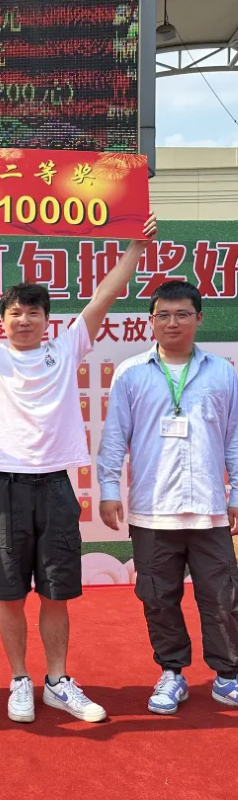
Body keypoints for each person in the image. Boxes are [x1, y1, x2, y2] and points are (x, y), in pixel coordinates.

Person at [0, 214, 157, 724]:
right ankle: (20, 679)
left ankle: (58, 681)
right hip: (5, 485)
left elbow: (104, 296)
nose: (24, 320)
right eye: (15, 313)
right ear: (2, 320)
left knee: (57, 591)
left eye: (33, 313)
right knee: (10, 592)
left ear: (47, 320)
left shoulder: (66, 349)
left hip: (56, 484)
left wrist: (134, 247)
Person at [98, 280, 238, 714]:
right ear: (150, 321)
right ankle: (172, 673)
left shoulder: (222, 372)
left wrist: (236, 492)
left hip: (210, 510)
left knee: (223, 597)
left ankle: (228, 676)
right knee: (158, 598)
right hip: (152, 510)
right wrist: (108, 489)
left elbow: (234, 438)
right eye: (163, 315)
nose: (172, 322)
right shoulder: (131, 373)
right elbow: (114, 438)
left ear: (199, 318)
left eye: (182, 314)